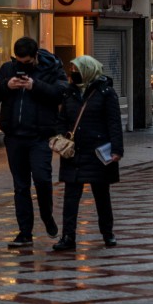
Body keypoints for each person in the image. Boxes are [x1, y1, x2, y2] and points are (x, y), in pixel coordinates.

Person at [0, 36, 69, 249]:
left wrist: (35, 85)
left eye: (27, 63)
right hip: (14, 137)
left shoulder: (51, 68)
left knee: (42, 180)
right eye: (19, 62)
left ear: (35, 56)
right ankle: (25, 233)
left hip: (40, 136)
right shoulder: (8, 69)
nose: (22, 66)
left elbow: (61, 94)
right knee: (20, 186)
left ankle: (47, 216)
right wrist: (7, 85)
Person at [50, 55, 124, 252]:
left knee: (102, 195)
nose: (72, 74)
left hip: (98, 153)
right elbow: (62, 119)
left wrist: (117, 150)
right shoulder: (69, 93)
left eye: (77, 70)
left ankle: (108, 233)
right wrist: (60, 138)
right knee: (70, 197)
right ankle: (68, 237)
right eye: (71, 70)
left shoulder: (106, 93)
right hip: (74, 152)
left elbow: (114, 123)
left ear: (88, 71)